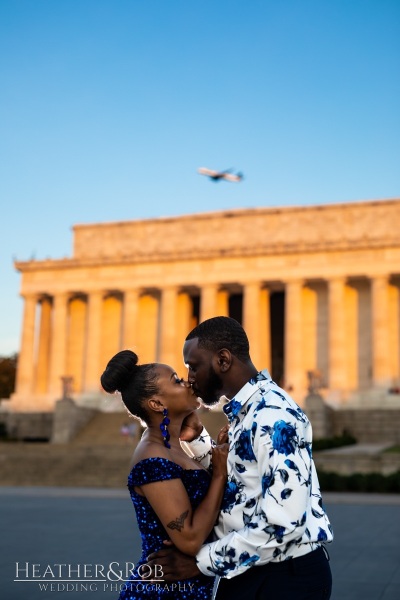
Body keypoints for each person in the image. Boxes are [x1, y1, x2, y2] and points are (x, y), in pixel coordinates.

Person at [147, 316, 333, 600]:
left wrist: (201, 562)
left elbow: (282, 523)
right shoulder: (249, 411)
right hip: (253, 569)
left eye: (193, 367)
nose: (190, 379)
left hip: (284, 578)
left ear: (222, 360)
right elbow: (244, 484)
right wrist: (198, 440)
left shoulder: (273, 415)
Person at [100, 350, 229, 600]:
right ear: (157, 404)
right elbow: (190, 540)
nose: (188, 381)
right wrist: (218, 474)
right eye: (176, 380)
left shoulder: (172, 447)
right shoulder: (152, 457)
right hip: (162, 591)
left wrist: (207, 447)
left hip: (187, 587)